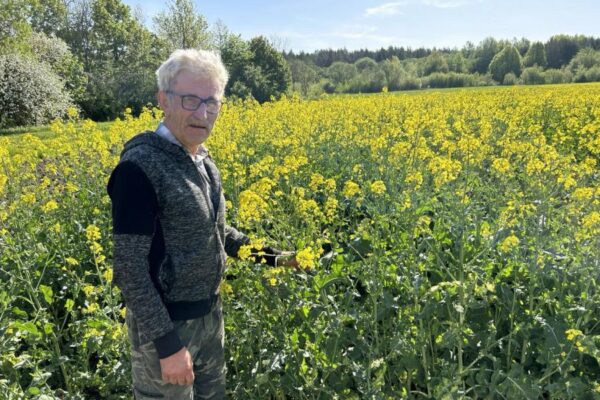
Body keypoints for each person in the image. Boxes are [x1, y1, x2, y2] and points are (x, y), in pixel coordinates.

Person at [107, 49, 297, 399]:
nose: (203, 113)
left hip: (209, 318)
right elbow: (129, 268)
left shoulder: (204, 162)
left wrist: (276, 257)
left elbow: (217, 233)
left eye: (212, 102)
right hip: (166, 327)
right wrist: (167, 346)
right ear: (163, 100)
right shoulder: (139, 168)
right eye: (191, 100)